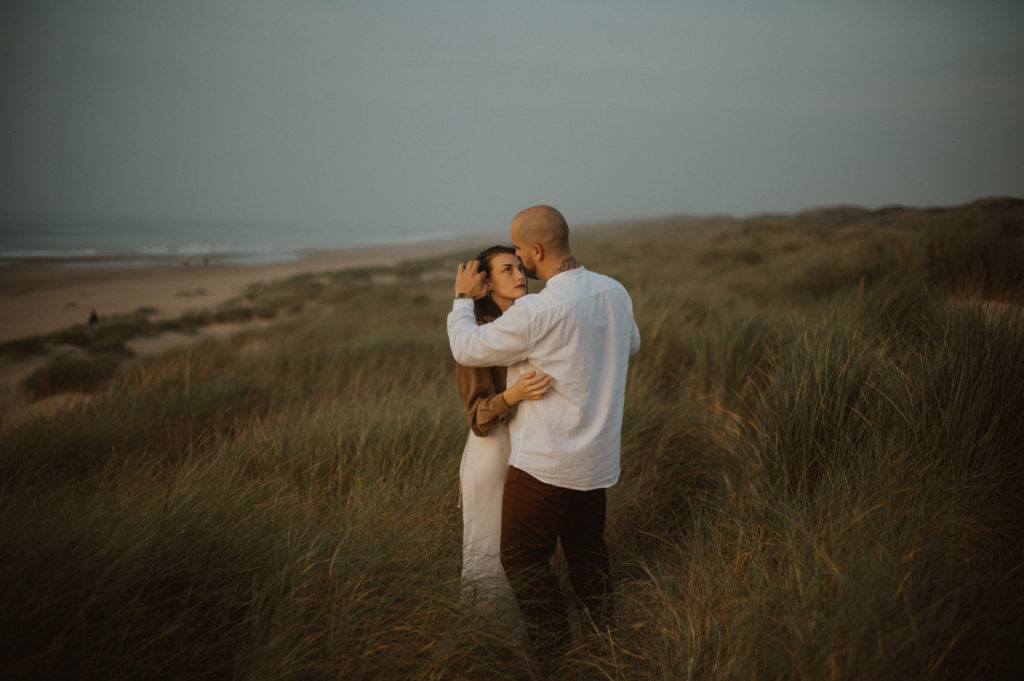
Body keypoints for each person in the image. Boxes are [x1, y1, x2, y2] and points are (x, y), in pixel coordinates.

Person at [448, 205, 641, 661]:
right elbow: (631, 344)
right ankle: (606, 649)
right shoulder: (614, 291)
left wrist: (460, 299)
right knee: (588, 555)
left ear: (535, 250)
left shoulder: (539, 309)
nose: (518, 260)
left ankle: (558, 660)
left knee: (521, 558)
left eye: (519, 251)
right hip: (597, 459)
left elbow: (467, 346)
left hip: (545, 462)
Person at [456, 245, 552, 603]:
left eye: (520, 268)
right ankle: (484, 627)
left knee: (524, 545)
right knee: (490, 547)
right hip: (492, 451)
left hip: (529, 447)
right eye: (506, 270)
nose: (519, 275)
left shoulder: (532, 321)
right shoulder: (478, 336)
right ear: (487, 284)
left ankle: (527, 622)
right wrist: (514, 395)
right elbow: (478, 417)